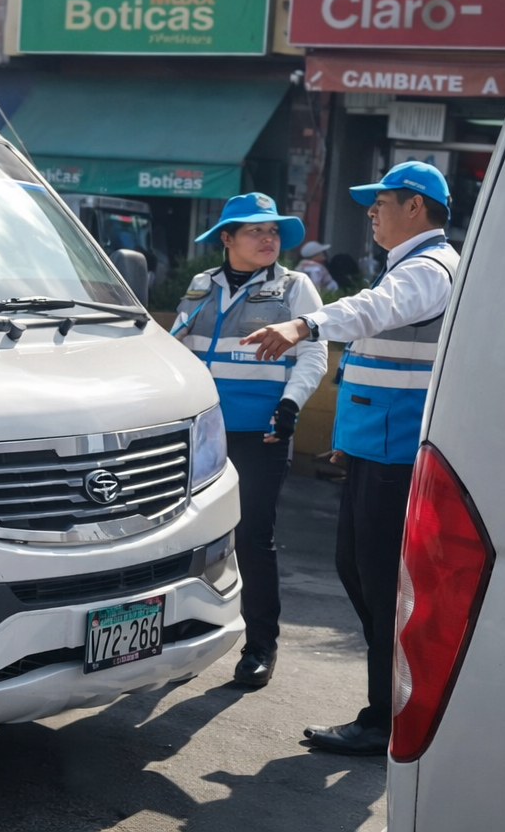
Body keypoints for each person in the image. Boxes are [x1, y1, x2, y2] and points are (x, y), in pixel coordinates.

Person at [240, 161, 459, 756]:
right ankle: (393, 704)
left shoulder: (429, 269)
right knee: (360, 573)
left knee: (385, 588)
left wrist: (305, 324)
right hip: (376, 448)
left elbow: (371, 312)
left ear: (415, 206)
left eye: (380, 202)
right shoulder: (411, 267)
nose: (371, 213)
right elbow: (379, 362)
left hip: (397, 457)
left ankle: (386, 719)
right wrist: (348, 435)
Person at [170, 192, 328, 690]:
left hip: (263, 431)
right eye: (256, 231)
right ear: (227, 239)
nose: (268, 239)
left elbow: (314, 356)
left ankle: (260, 645)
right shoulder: (201, 285)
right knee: (184, 538)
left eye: (274, 231)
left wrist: (290, 406)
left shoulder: (295, 287)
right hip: (202, 435)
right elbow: (175, 349)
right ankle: (180, 638)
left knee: (253, 539)